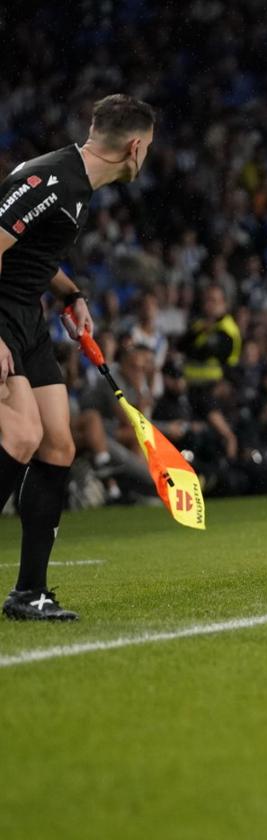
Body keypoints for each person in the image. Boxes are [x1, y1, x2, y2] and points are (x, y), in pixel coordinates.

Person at [0, 94, 155, 620]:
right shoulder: (51, 181)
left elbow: (29, 252)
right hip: (1, 315)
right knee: (21, 437)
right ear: (135, 147)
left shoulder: (77, 185)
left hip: (26, 314)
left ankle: (29, 593)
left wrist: (71, 292)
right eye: (149, 147)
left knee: (58, 445)